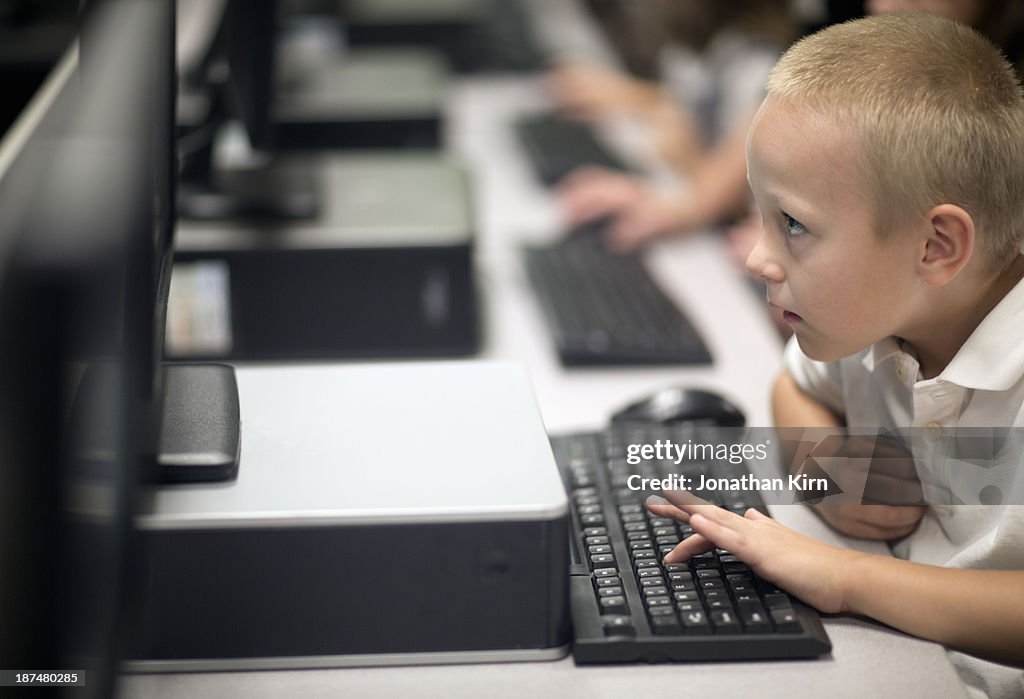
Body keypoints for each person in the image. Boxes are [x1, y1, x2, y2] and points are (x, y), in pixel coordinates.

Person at [646, 13, 1024, 699]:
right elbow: (794, 385)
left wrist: (843, 576)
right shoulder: (875, 318)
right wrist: (821, 462)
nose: (760, 258)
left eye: (792, 225)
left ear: (936, 247)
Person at [547, 0, 795, 250]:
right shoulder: (706, 36)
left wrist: (668, 188)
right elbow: (684, 113)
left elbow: (724, 198)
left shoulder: (767, 67)